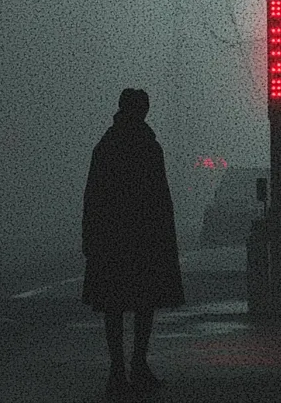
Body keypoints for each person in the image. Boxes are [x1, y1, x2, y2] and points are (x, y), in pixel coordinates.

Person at [82, 89, 185, 400]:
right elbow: (160, 197)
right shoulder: (149, 146)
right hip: (144, 238)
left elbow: (94, 195)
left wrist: (90, 236)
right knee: (143, 302)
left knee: (113, 305)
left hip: (113, 238)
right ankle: (138, 364)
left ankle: (118, 369)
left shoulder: (107, 145)